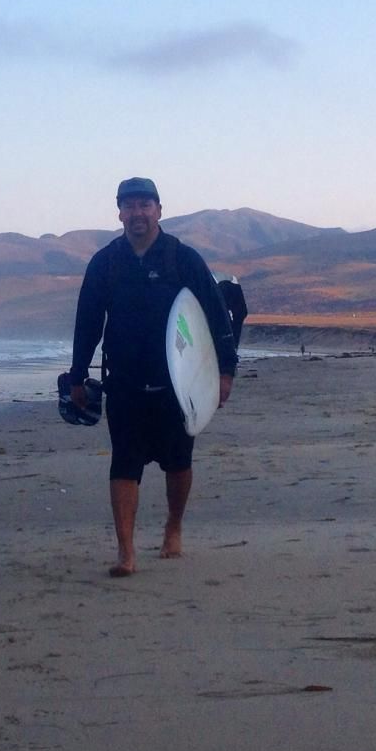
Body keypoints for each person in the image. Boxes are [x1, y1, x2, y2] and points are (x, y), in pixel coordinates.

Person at [68, 177, 237, 575]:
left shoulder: (183, 259)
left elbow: (216, 316)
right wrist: (77, 374)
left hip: (179, 382)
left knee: (178, 463)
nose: (137, 213)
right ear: (119, 214)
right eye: (129, 206)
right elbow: (87, 322)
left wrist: (225, 372)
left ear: (159, 210)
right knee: (124, 464)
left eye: (145, 205)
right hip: (124, 381)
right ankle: (126, 552)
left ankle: (173, 526)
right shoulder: (106, 262)